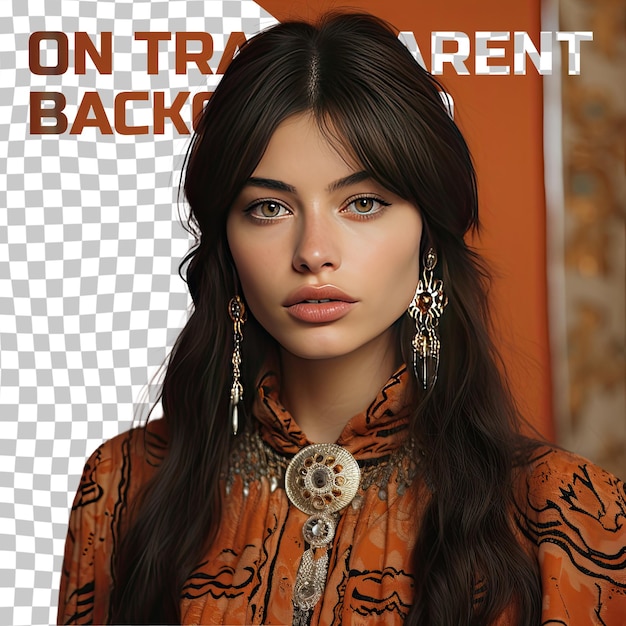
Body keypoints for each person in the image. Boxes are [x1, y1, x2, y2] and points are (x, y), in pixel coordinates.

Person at [57, 12, 625, 626]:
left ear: (427, 234)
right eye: (269, 207)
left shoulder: (564, 511)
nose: (313, 250)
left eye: (363, 203)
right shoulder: (123, 486)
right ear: (226, 241)